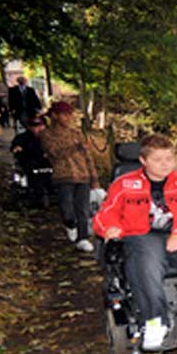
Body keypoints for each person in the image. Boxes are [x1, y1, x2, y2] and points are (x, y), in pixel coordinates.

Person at [93, 133, 177, 350]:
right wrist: (109, 228)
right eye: (158, 159)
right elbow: (105, 213)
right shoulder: (124, 184)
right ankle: (154, 320)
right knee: (148, 257)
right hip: (140, 234)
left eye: (169, 159)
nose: (165, 164)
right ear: (143, 161)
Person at [41, 101, 99, 252]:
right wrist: (73, 148)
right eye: (64, 115)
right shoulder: (47, 134)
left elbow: (88, 156)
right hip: (63, 175)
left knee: (83, 209)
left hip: (82, 174)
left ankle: (83, 237)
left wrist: (94, 178)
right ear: (55, 115)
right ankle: (70, 224)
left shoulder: (77, 133)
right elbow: (54, 154)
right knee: (66, 207)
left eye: (70, 115)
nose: (68, 118)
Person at [10, 117, 54, 201]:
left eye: (39, 126)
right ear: (29, 127)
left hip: (47, 162)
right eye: (34, 126)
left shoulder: (50, 137)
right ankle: (34, 190)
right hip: (29, 162)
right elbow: (16, 147)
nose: (36, 129)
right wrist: (17, 148)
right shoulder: (23, 137)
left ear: (44, 126)